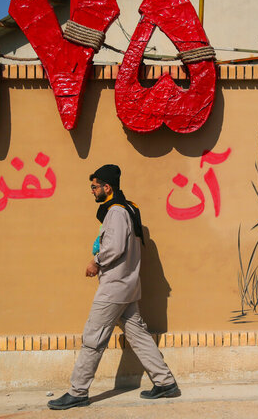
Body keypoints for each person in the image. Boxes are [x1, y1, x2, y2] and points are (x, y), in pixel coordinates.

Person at [48, 165, 179, 410]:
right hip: (127, 286)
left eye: (95, 187)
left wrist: (96, 262)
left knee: (93, 338)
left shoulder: (117, 212)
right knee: (138, 335)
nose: (93, 191)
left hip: (115, 287)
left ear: (107, 187)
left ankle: (77, 392)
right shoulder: (126, 210)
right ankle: (165, 382)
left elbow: (115, 247)